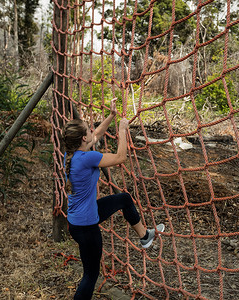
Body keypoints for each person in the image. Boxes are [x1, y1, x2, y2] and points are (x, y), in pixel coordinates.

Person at [62, 98, 164, 299]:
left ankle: (145, 236)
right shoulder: (87, 158)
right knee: (90, 276)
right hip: (86, 227)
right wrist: (123, 130)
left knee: (124, 198)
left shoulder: (73, 153)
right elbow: (120, 158)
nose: (93, 131)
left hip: (78, 220)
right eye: (88, 130)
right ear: (83, 138)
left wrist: (111, 115)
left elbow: (97, 134)